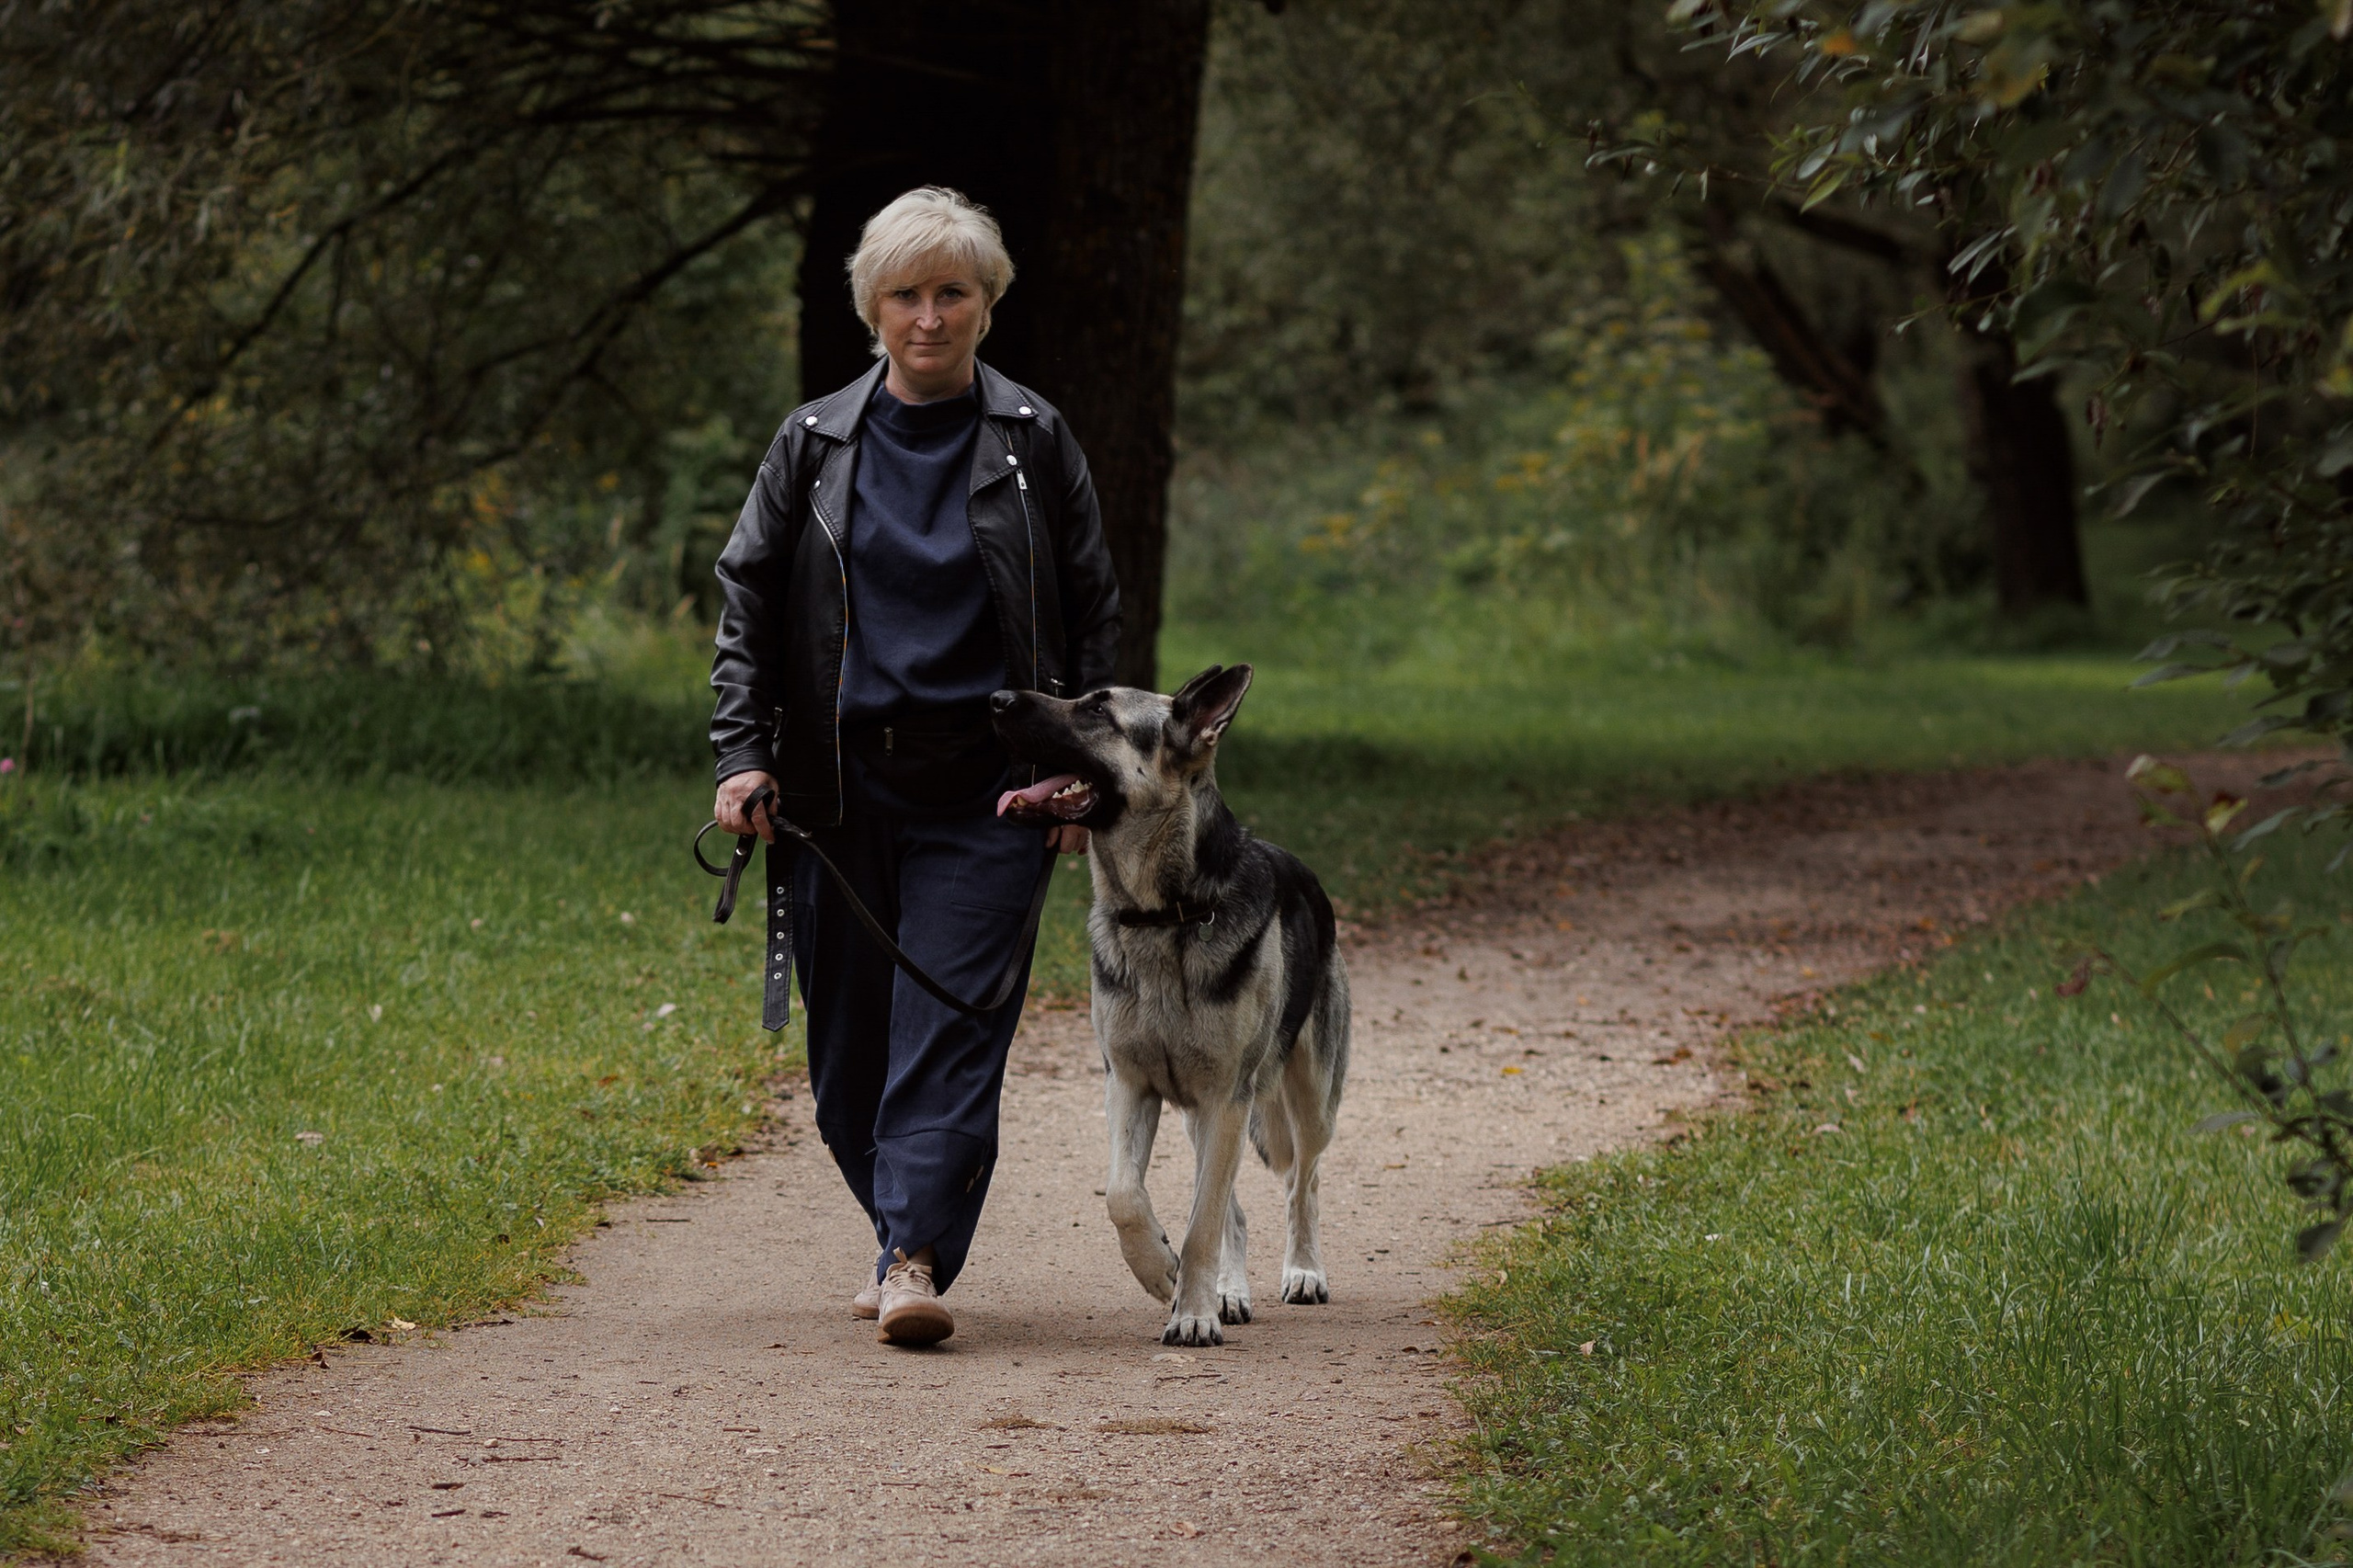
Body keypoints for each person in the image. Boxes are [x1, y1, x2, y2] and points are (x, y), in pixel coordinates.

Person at [708, 187, 1120, 1346]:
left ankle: (909, 1253)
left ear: (988, 305)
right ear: (871, 307)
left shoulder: (1035, 440)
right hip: (838, 789)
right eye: (906, 294)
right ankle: (901, 1220)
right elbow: (747, 603)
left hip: (996, 787)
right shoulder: (811, 443)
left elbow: (1092, 612)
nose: (929, 316)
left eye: (953, 293)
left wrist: (1085, 777)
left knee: (951, 1023)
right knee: (846, 1059)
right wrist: (743, 756)